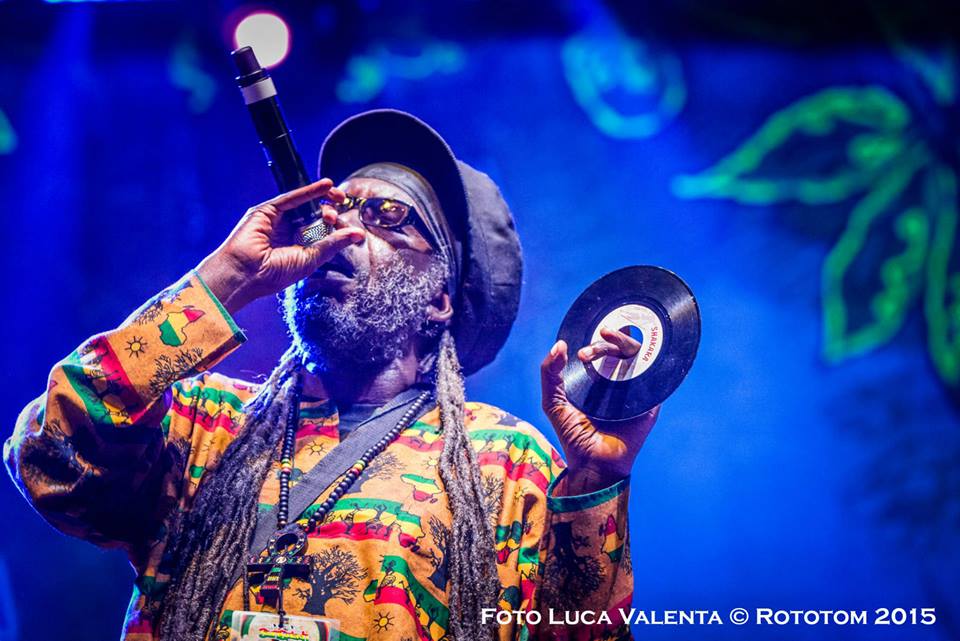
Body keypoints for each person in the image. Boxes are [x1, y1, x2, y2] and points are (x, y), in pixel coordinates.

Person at [5, 110, 658, 641]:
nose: (340, 226)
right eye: (335, 209)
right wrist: (225, 279)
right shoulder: (203, 425)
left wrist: (596, 484)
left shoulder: (502, 462)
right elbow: (49, 457)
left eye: (387, 217)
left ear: (440, 299)